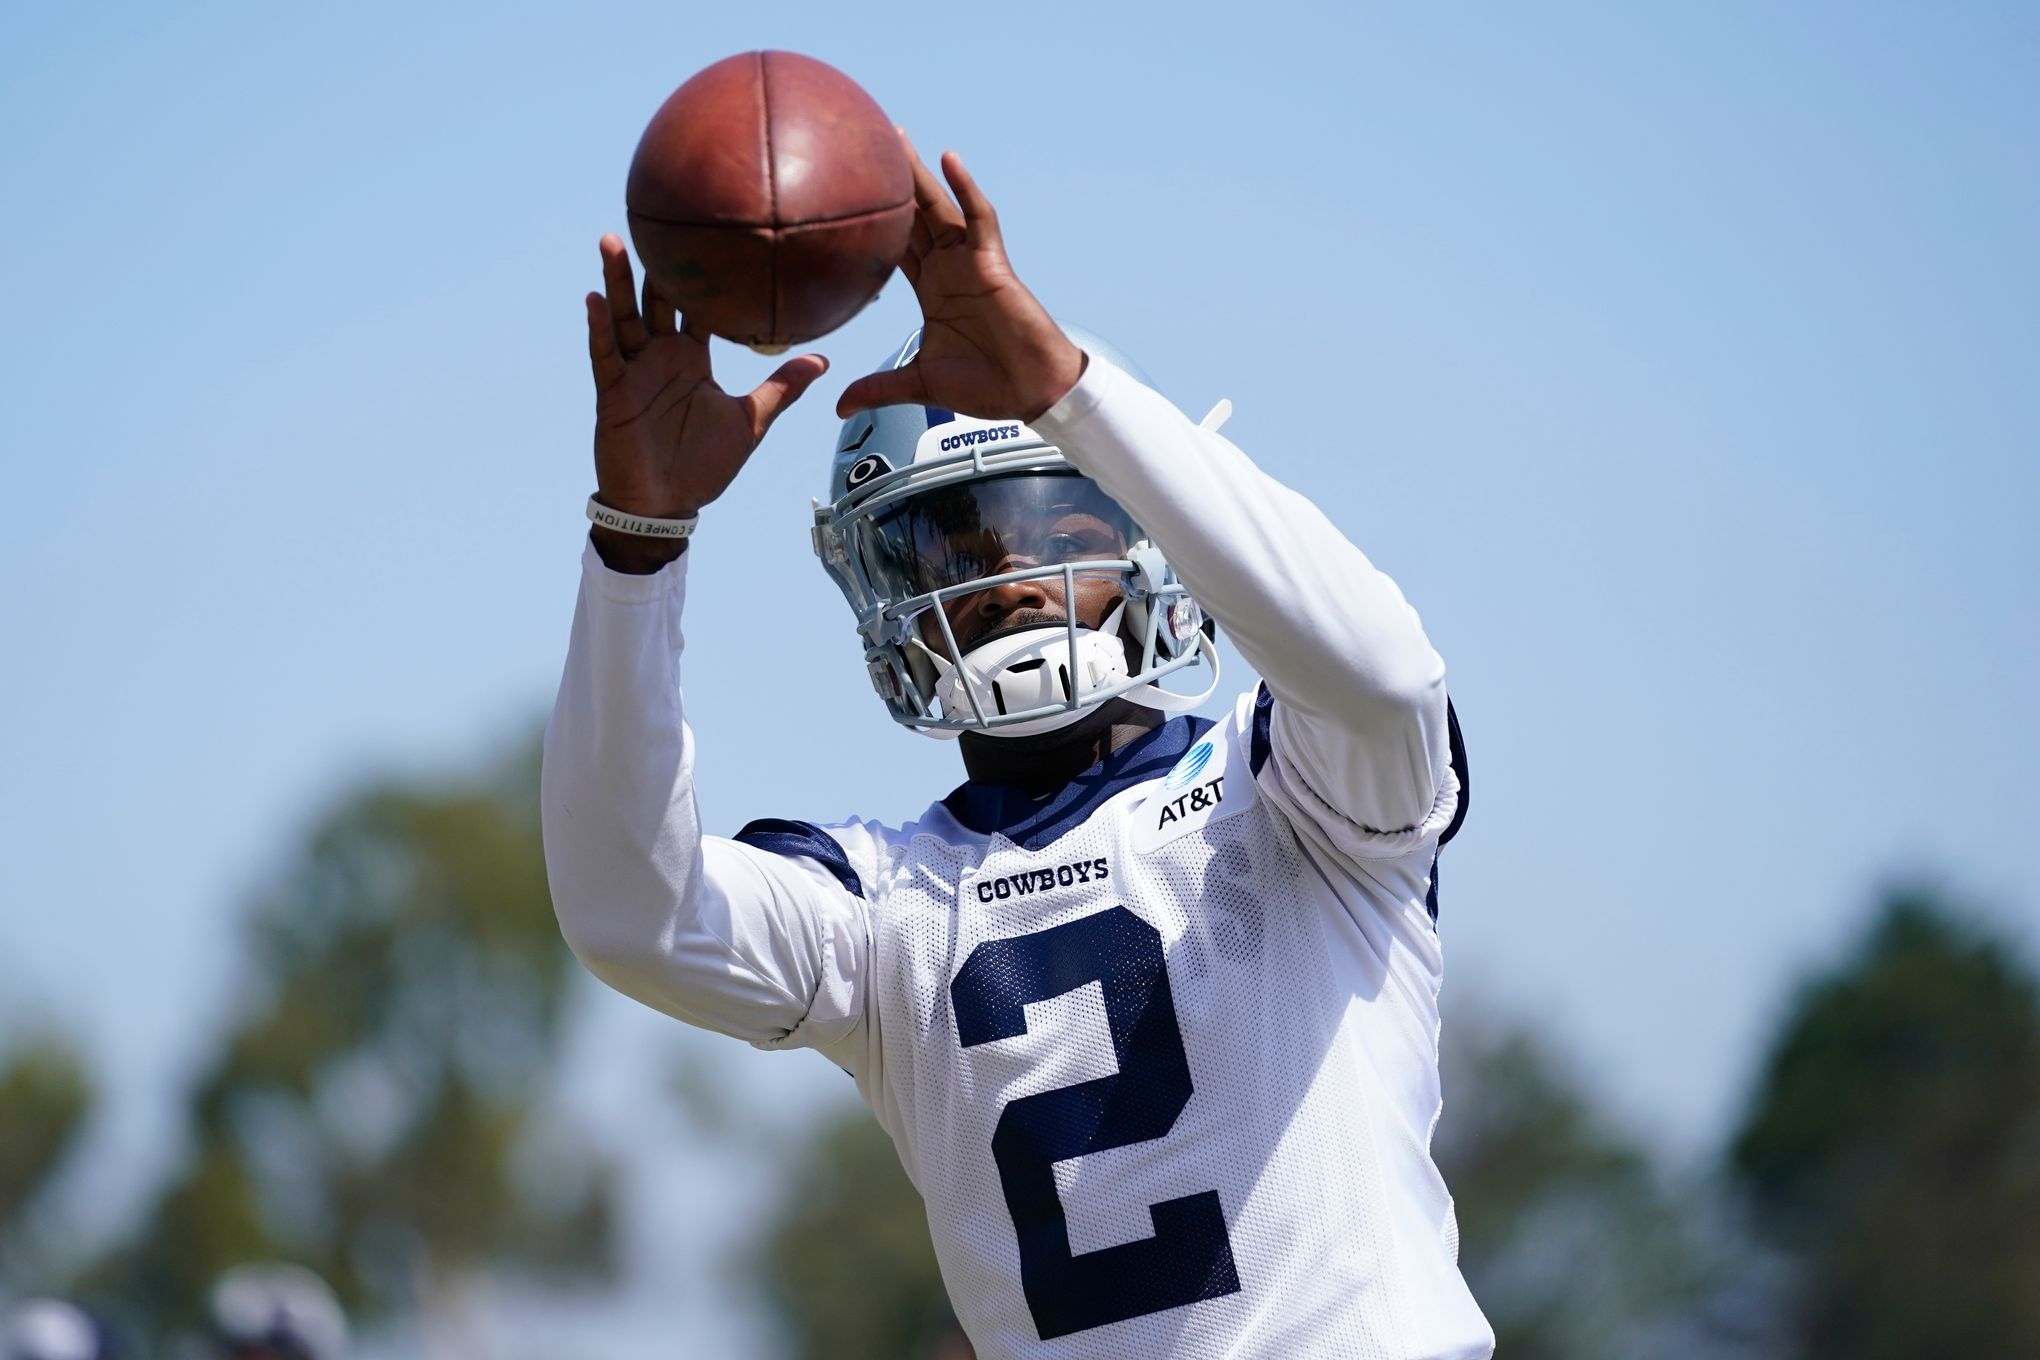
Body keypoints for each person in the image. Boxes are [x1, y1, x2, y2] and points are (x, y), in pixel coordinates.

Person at [543, 135, 1494, 1359]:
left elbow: (1380, 672)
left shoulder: (1290, 793)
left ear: (1148, 531)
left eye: (1049, 518)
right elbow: (629, 909)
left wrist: (1067, 387)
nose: (1001, 575)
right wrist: (639, 540)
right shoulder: (883, 904)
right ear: (878, 580)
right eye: (948, 541)